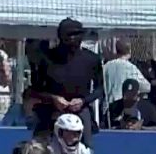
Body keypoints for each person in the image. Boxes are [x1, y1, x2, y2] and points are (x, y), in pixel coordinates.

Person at [30, 18, 105, 147]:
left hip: (80, 109)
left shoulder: (92, 59)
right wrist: (54, 98)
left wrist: (83, 101)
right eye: (69, 35)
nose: (73, 38)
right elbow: (35, 90)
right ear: (61, 36)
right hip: (51, 109)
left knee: (86, 147)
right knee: (40, 147)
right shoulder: (46, 58)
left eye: (77, 34)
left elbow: (100, 89)